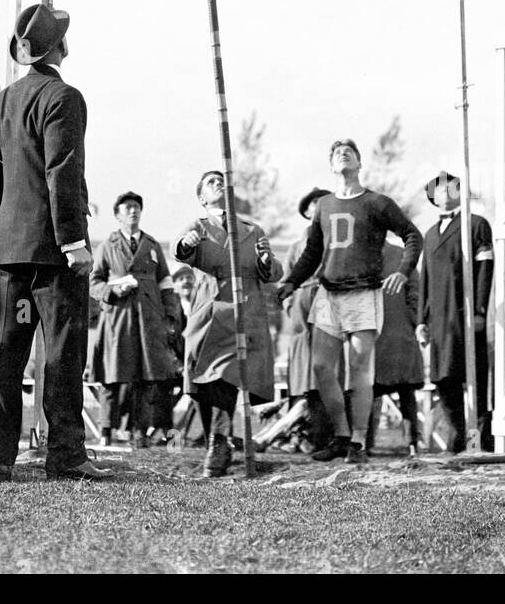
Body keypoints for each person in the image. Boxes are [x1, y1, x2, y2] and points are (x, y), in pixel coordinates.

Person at [0, 3, 110, 484]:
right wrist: (73, 242)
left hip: (8, 251)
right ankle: (66, 455)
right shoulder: (64, 97)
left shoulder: (0, 102)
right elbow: (61, 173)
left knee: (6, 353)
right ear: (62, 47)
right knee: (63, 352)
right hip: (53, 253)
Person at [278, 139, 422, 465]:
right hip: (329, 293)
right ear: (331, 166)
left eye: (349, 152)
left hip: (363, 292)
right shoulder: (325, 206)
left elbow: (412, 235)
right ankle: (341, 436)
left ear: (359, 163)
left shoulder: (377, 202)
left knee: (359, 369)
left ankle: (358, 441)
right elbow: (312, 253)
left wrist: (402, 270)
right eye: (337, 153)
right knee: (321, 368)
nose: (343, 155)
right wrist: (290, 282)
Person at [174, 170, 282, 478]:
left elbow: (273, 270)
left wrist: (265, 263)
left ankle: (219, 442)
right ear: (202, 198)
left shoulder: (251, 228)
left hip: (243, 311)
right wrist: (186, 242)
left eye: (222, 180)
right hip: (208, 311)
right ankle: (216, 441)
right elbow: (181, 252)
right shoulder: (199, 227)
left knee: (227, 374)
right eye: (210, 181)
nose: (218, 183)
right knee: (206, 382)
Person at [90, 191, 181, 447]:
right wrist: (111, 291)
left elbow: (166, 283)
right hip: (118, 319)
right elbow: (93, 281)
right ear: (118, 214)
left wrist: (170, 315)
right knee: (112, 374)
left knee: (145, 376)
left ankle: (138, 430)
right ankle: (106, 430)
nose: (133, 211)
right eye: (128, 207)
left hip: (148, 321)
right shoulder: (107, 245)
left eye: (137, 207)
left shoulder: (152, 246)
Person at [416, 170, 493, 454]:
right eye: (438, 189)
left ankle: (478, 444)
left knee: (474, 383)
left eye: (450, 187)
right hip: (438, 322)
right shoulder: (429, 234)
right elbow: (424, 277)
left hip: (465, 317)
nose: (444, 191)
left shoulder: (476, 225)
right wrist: (421, 320)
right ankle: (459, 437)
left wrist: (480, 310)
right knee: (443, 379)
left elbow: (486, 268)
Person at [282, 187, 335, 451]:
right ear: (306, 212)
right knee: (303, 370)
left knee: (326, 368)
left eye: (323, 203)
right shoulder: (296, 246)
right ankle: (300, 434)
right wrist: (291, 305)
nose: (318, 208)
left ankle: (327, 434)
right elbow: (287, 282)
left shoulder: (336, 239)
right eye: (313, 204)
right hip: (302, 307)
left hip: (329, 302)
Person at [367, 239, 424, 456]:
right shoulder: (358, 253)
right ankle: (364, 442)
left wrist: (410, 320)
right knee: (368, 390)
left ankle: (412, 444)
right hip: (371, 332)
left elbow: (415, 291)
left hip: (399, 333)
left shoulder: (401, 255)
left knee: (406, 390)